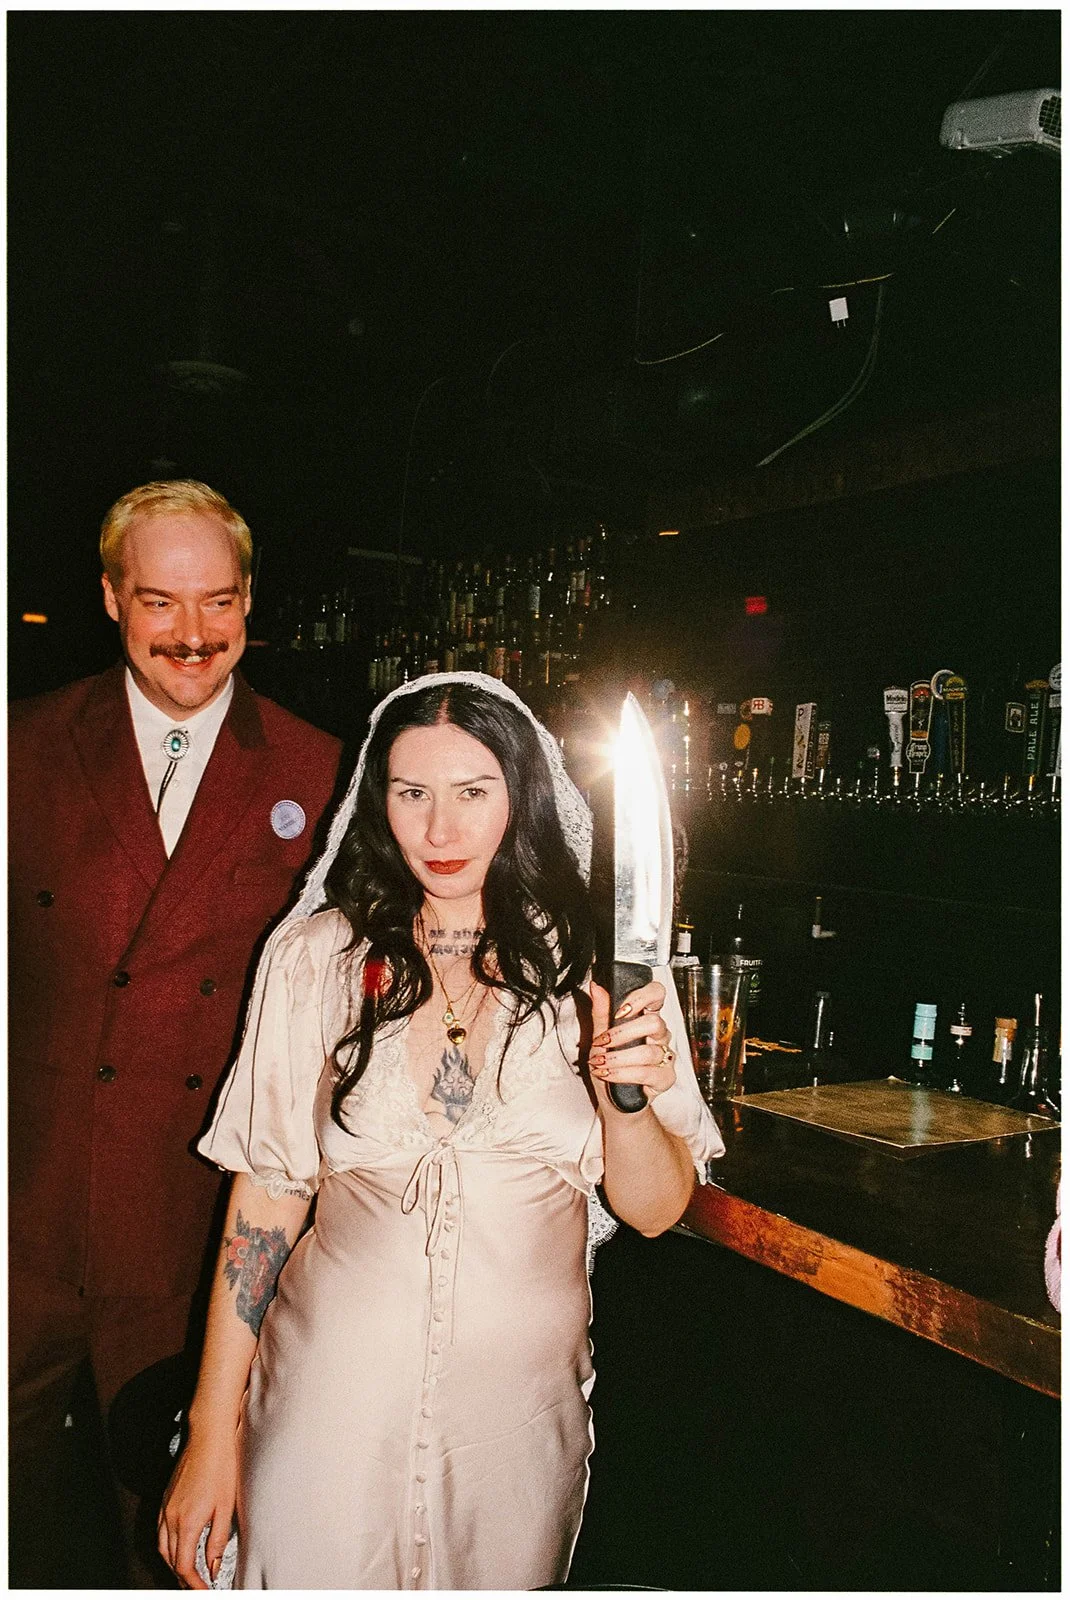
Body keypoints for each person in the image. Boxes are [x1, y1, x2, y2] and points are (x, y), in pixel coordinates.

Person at [158, 670, 724, 1590]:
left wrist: (624, 1097)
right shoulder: (317, 959)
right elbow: (264, 1202)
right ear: (377, 803)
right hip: (324, 1409)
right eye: (412, 793)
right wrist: (210, 1435)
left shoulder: (600, 971)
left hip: (516, 1433)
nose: (439, 830)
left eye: (472, 793)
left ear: (522, 798)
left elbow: (656, 1210)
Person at [8, 479, 343, 1586]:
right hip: (22, 1217)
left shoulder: (320, 771)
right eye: (159, 601)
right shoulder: (23, 747)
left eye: (219, 601)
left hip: (195, 1235)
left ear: (250, 600)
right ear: (111, 598)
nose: (192, 633)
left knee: (178, 1549)